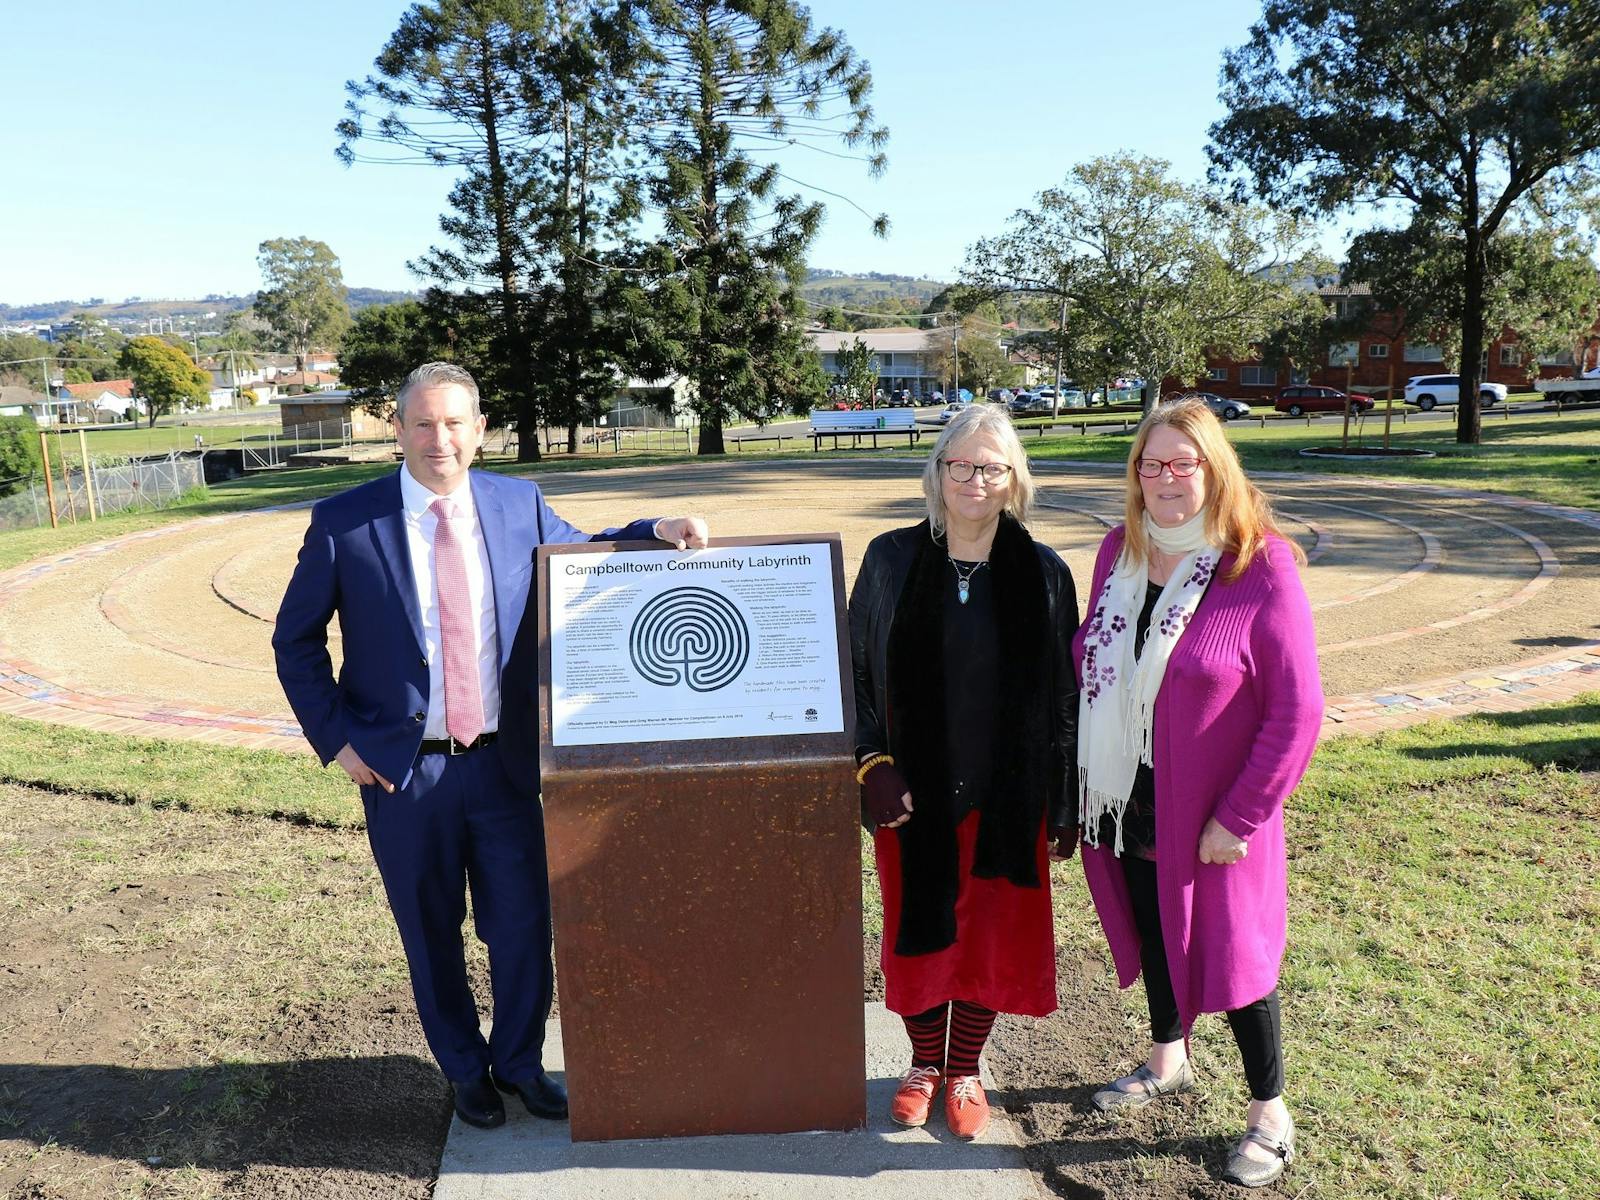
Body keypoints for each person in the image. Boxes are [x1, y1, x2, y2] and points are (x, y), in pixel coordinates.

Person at [273, 362, 708, 1131]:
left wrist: (654, 530)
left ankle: (518, 1065)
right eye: (423, 423)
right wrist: (337, 740)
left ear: (479, 430)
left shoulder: (520, 503)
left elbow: (586, 551)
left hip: (505, 766)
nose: (439, 438)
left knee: (520, 929)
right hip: (405, 774)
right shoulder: (345, 523)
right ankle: (466, 1071)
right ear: (397, 430)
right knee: (430, 930)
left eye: (454, 423)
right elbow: (295, 642)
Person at [1072, 398, 1322, 1188]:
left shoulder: (1262, 563)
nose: (1166, 478)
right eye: (1151, 464)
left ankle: (1269, 1114)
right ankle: (1166, 1055)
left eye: (1183, 462)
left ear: (1215, 469)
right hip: (1130, 794)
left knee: (1239, 958)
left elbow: (1297, 708)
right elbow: (1093, 660)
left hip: (1217, 811)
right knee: (1153, 931)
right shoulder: (1120, 550)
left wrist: (1239, 815)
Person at [848, 404, 1079, 1140]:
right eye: (961, 465)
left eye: (992, 467)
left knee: (988, 941)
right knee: (920, 934)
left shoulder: (1044, 574)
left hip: (1007, 796)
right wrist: (871, 762)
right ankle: (922, 1063)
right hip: (913, 795)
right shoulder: (890, 559)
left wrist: (1062, 795)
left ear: (1015, 480)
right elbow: (854, 670)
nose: (975, 480)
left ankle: (965, 1067)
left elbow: (1064, 695)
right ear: (938, 470)